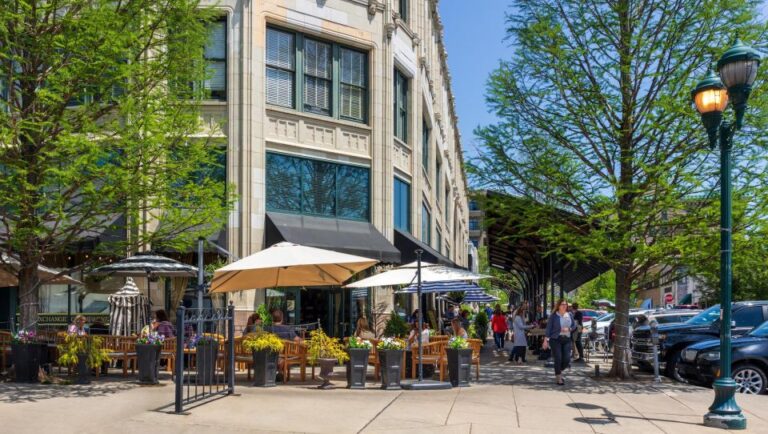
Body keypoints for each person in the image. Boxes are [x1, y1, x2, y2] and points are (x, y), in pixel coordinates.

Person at [544, 299, 577, 385]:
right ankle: (559, 378)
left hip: (567, 339)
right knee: (558, 358)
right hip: (555, 339)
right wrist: (545, 340)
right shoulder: (554, 316)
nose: (564, 306)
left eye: (565, 304)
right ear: (558, 306)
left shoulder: (569, 314)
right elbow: (548, 329)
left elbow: (574, 326)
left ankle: (558, 370)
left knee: (566, 359)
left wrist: (569, 329)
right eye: (562, 304)